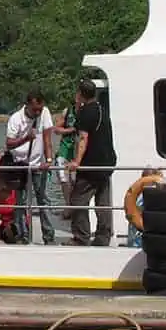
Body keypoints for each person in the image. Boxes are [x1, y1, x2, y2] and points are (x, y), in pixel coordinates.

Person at [65, 79, 117, 246]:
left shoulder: (85, 113)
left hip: (91, 165)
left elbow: (83, 137)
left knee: (78, 201)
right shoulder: (102, 110)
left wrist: (76, 161)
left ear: (80, 94)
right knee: (103, 202)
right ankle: (103, 237)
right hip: (106, 163)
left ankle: (81, 238)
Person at [5, 91, 55, 244]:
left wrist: (49, 159)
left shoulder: (44, 113)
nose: (38, 112)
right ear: (27, 105)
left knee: (43, 200)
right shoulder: (15, 119)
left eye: (40, 109)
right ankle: (23, 235)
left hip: (38, 165)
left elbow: (47, 137)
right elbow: (9, 143)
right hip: (21, 165)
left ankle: (48, 235)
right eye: (35, 110)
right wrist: (26, 138)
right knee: (21, 202)